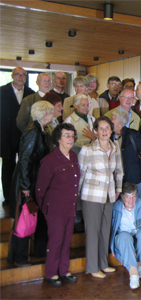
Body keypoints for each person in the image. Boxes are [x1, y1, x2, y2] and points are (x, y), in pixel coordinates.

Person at [8, 101, 54, 266]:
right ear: (46, 114)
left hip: (33, 182)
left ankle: (31, 254)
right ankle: (19, 257)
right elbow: (25, 161)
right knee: (24, 219)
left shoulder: (39, 130)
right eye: (52, 111)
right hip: (27, 184)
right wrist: (26, 188)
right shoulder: (33, 132)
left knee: (31, 218)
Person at [78, 116, 123, 278]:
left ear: (111, 131)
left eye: (107, 128)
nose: (104, 131)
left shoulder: (115, 147)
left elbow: (119, 171)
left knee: (105, 230)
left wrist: (118, 189)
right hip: (91, 196)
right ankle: (92, 266)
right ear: (95, 131)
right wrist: (76, 196)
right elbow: (80, 175)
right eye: (101, 128)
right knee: (93, 231)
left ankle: (103, 263)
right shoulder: (87, 150)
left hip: (110, 195)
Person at [35, 123, 80, 287]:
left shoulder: (73, 156)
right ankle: (52, 272)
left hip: (70, 207)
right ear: (58, 138)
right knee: (56, 241)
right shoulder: (50, 160)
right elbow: (40, 189)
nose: (70, 138)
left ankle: (63, 270)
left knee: (67, 240)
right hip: (55, 209)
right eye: (67, 135)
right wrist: (46, 207)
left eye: (72, 135)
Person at [1, 67, 35, 204]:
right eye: (18, 74)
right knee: (8, 166)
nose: (20, 77)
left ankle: (22, 194)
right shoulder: (2, 91)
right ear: (12, 76)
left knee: (24, 166)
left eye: (23, 75)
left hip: (24, 134)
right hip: (6, 134)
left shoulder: (30, 93)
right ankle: (8, 197)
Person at [110, 110, 141, 198]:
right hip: (117, 178)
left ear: (119, 121)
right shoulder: (110, 136)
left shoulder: (132, 134)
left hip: (133, 176)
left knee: (135, 200)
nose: (110, 121)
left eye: (112, 119)